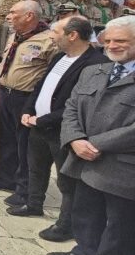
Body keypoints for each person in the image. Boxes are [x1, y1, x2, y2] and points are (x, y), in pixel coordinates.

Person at [47, 16, 135, 255]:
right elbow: (72, 106)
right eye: (108, 40)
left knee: (120, 222)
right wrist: (75, 139)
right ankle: (86, 252)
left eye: (121, 40)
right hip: (84, 157)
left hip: (121, 163)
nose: (112, 45)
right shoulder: (94, 70)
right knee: (86, 211)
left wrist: (97, 143)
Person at [10, 17, 107, 240]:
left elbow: (78, 104)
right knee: (36, 168)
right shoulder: (59, 57)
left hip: (64, 132)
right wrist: (28, 110)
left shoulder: (94, 64)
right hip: (38, 125)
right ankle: (33, 203)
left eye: (56, 32)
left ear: (72, 35)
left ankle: (65, 225)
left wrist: (43, 120)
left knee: (67, 180)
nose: (52, 36)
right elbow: (41, 86)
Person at [0, 1, 58, 203]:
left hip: (26, 98)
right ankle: (6, 178)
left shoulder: (49, 40)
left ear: (29, 16)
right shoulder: (15, 36)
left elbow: (52, 76)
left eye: (13, 12)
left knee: (25, 145)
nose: (8, 16)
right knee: (6, 139)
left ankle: (24, 188)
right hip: (7, 94)